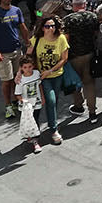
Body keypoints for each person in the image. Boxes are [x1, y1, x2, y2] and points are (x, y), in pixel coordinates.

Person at [0, 0, 27, 120]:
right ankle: (8, 105)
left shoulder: (17, 10)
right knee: (7, 81)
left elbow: (22, 27)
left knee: (18, 77)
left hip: (17, 49)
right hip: (3, 53)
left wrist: (28, 42)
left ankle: (17, 100)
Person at [61, 0, 101, 120]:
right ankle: (92, 112)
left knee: (76, 83)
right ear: (85, 3)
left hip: (74, 56)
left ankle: (78, 106)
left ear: (73, 5)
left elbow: (65, 40)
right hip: (90, 54)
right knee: (89, 83)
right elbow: (96, 34)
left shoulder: (68, 20)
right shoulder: (93, 17)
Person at [30, 16, 69, 145]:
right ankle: (54, 130)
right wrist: (20, 72)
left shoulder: (61, 39)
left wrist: (50, 71)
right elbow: (27, 55)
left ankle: (48, 124)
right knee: (50, 101)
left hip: (56, 75)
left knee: (54, 101)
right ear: (42, 28)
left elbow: (64, 59)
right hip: (41, 78)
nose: (50, 29)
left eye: (53, 26)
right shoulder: (36, 39)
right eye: (47, 26)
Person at [15, 53, 43, 152]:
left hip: (37, 103)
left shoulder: (36, 74)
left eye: (30, 66)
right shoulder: (20, 79)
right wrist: (23, 101)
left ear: (33, 65)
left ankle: (35, 139)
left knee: (35, 120)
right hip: (26, 106)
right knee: (29, 121)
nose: (28, 69)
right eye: (25, 67)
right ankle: (33, 140)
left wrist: (42, 98)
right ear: (21, 68)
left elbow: (39, 86)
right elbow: (17, 94)